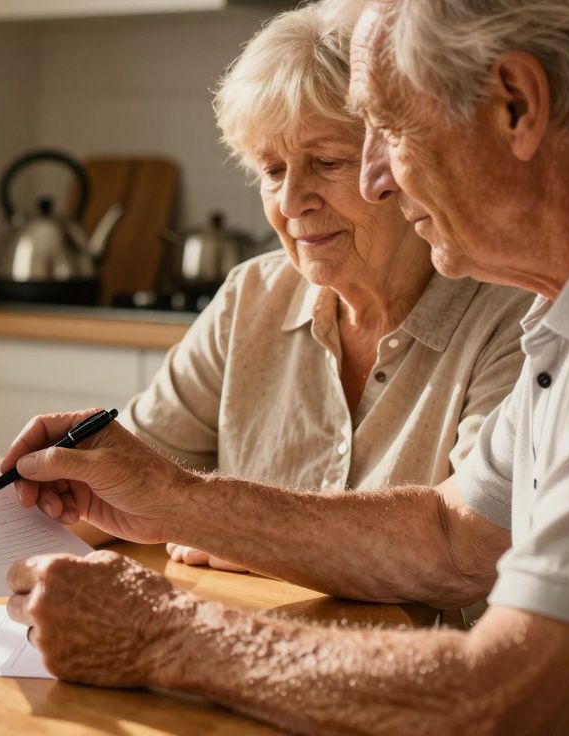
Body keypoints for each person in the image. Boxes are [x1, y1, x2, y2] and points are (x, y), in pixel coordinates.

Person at [2, 0, 569, 732]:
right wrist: (171, 495)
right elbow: (453, 537)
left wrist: (161, 634)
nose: (381, 178)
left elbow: (511, 696)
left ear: (516, 104)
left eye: (393, 127)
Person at [71, 4, 531, 578]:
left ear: (400, 163)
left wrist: (249, 534)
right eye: (271, 170)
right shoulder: (253, 295)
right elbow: (124, 487)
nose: (291, 205)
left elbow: (474, 548)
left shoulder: (514, 313)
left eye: (326, 162)